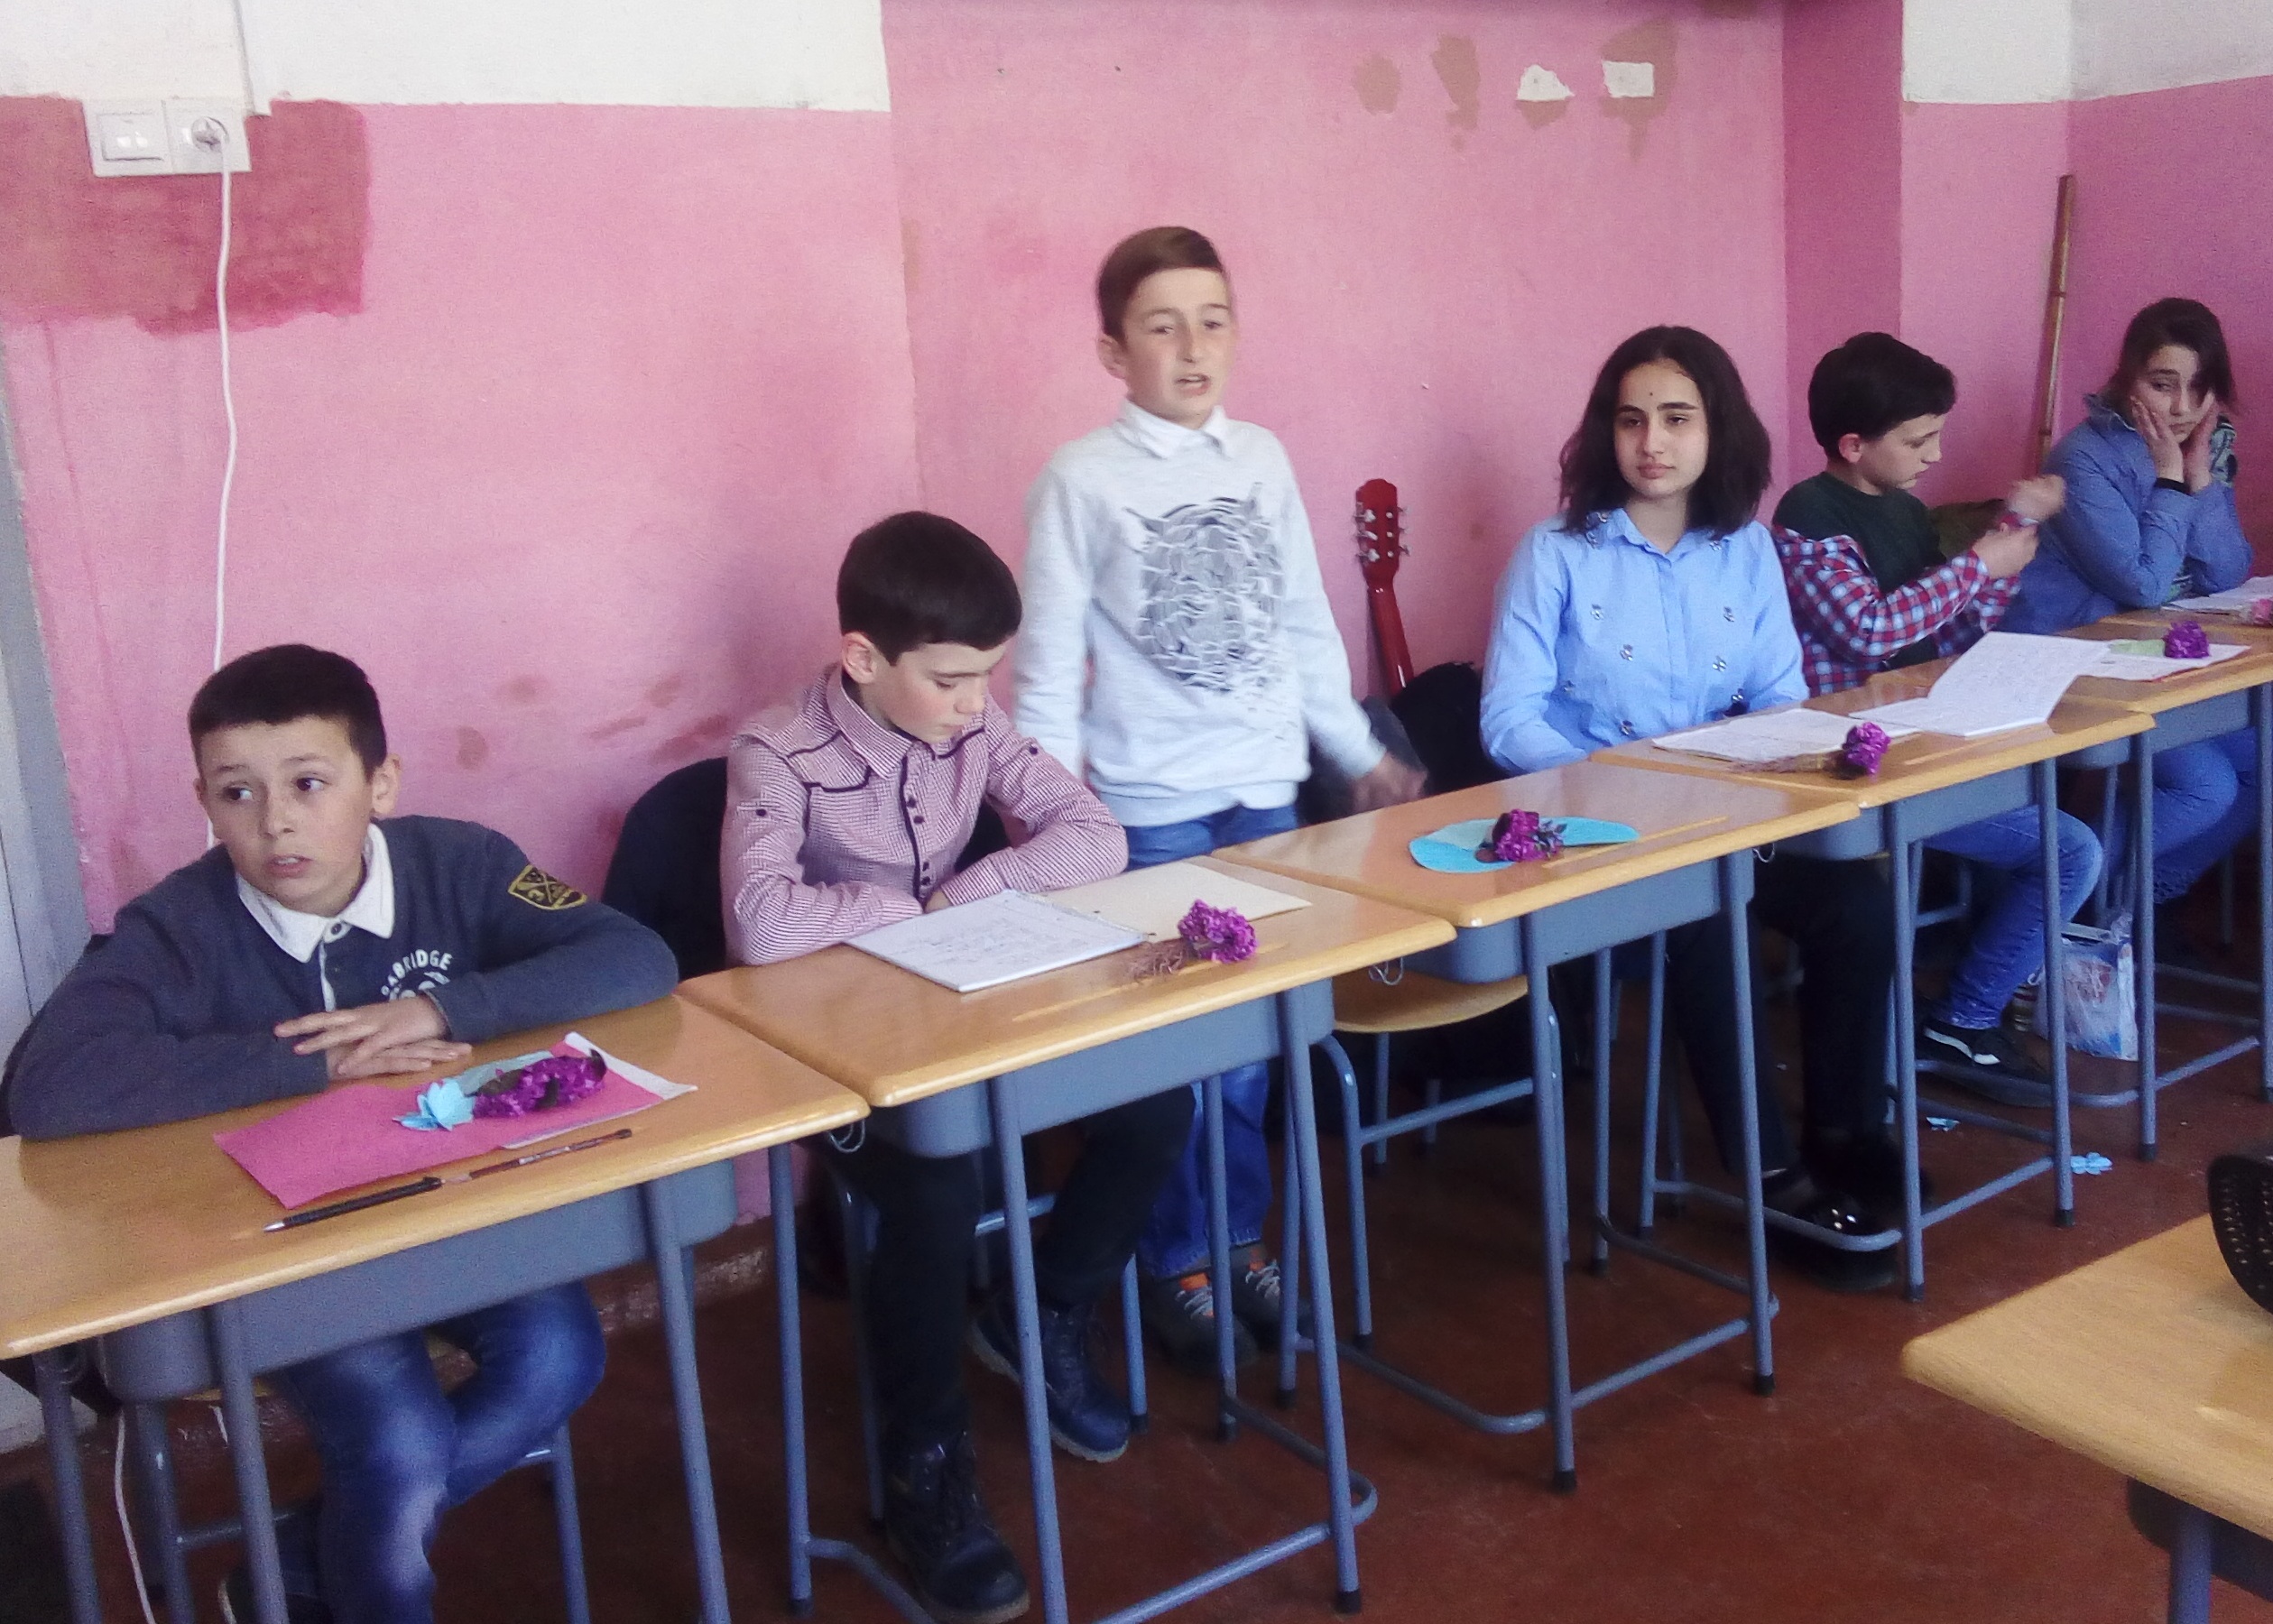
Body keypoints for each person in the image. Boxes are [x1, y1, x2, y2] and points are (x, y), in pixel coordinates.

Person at [2, 644, 674, 1624]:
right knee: (399, 1442)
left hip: (454, 1216)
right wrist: (311, 1061)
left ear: (380, 784)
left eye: (309, 784)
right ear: (203, 800)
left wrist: (442, 1008)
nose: (274, 820)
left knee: (559, 1357)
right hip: (289, 1253)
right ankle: (346, 1564)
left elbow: (635, 957)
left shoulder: (460, 865)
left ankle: (298, 1563)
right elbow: (50, 1086)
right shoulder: (179, 926)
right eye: (236, 792)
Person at [725, 512, 1166, 1624]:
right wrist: (897, 914)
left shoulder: (975, 722)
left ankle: (1040, 1311)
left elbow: (1095, 836)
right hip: (839, 1054)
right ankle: (925, 1465)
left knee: (1155, 1103)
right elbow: (762, 926)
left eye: (987, 678)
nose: (976, 703)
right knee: (934, 1194)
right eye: (953, 679)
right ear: (863, 658)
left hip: (968, 1011)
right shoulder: (775, 750)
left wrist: (965, 894)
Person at [1016, 226, 1425, 1364]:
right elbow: (1047, 668)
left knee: (1250, 1052)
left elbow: (1303, 625)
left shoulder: (1262, 458)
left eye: (1213, 320)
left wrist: (1354, 748)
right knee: (1175, 1059)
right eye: (1162, 326)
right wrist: (1054, 815)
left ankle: (1238, 1241)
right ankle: (1174, 1263)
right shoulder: (1079, 479)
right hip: (1152, 813)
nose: (1193, 347)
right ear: (1113, 352)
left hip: (1265, 803)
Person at [1479, 324, 1901, 1291]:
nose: (1651, 443)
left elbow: (1782, 694)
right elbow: (1506, 721)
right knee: (1707, 919)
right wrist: (1625, 781)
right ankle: (1771, 1179)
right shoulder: (1556, 553)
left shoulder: (1744, 548)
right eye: (1631, 420)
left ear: (1717, 431)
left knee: (1856, 904)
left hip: (1726, 817)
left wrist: (1768, 755)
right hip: (1602, 839)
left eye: (1676, 418)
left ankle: (1845, 1134)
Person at [1774, 333, 2095, 1104]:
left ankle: (1963, 1016)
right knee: (2063, 850)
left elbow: (1951, 631)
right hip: (1850, 763)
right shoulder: (1806, 518)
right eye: (1918, 441)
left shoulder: (1906, 512)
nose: (1935, 455)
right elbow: (1869, 632)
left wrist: (2002, 544)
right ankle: (1958, 1021)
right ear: (1853, 445)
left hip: (1920, 745)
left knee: (2067, 847)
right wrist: (1978, 564)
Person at [2005, 298, 2273, 948]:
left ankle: (2143, 896)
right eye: (2162, 383)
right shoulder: (2083, 459)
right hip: (2072, 661)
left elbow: (2227, 570)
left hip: (2150, 661)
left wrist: (2199, 479)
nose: (2180, 407)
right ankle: (2059, 906)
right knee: (2205, 785)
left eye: (2198, 388)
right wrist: (2171, 482)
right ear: (2127, 377)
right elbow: (2141, 585)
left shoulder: (2200, 449)